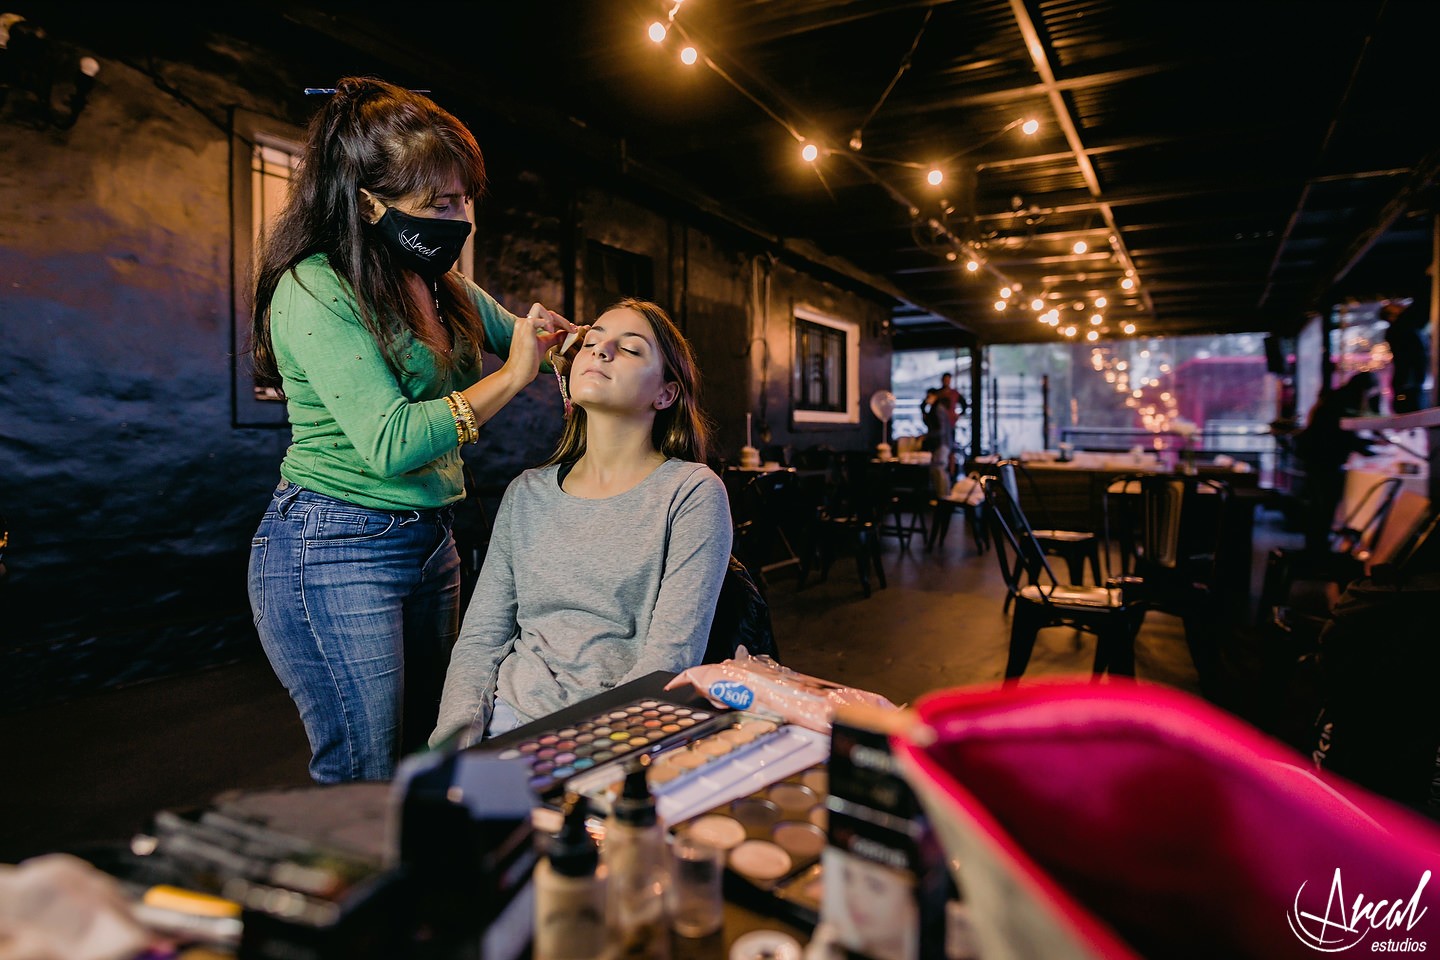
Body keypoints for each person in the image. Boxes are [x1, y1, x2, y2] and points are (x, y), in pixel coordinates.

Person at [245, 77, 578, 783]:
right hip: (335, 545)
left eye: (464, 200)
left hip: (430, 541)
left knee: (430, 754)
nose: (460, 218)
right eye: (441, 202)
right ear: (370, 201)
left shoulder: (436, 280)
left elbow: (522, 334)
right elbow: (391, 441)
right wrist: (514, 376)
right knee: (367, 769)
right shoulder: (313, 288)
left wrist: (576, 342)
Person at [431, 299, 733, 746]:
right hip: (510, 721)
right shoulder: (527, 493)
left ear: (666, 393)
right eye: (591, 341)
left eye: (630, 349)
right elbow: (482, 639)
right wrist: (455, 741)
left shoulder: (690, 492)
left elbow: (670, 654)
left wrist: (590, 751)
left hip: (620, 733)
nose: (600, 351)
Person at [1291, 372, 1377, 554]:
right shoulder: (1345, 403)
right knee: (1324, 505)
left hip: (1316, 457)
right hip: (1324, 459)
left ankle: (1315, 546)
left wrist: (1367, 446)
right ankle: (1318, 549)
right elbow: (1342, 435)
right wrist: (1368, 448)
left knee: (1318, 504)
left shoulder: (1335, 398)